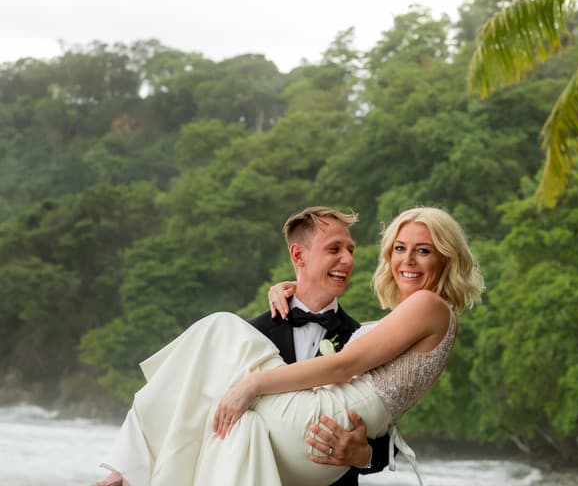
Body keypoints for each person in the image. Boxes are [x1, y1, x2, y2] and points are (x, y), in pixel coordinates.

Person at [94, 206, 484, 486]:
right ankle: (128, 477)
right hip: (298, 453)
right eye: (400, 248)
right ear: (299, 256)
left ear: (445, 256)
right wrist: (290, 289)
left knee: (219, 328)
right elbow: (196, 416)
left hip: (321, 441)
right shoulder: (266, 328)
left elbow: (344, 369)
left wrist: (364, 455)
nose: (407, 260)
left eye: (423, 249)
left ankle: (129, 468)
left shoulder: (422, 308)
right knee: (235, 426)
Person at [247, 206, 392, 486]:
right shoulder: (253, 334)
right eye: (334, 249)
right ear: (298, 255)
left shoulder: (364, 339)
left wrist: (365, 454)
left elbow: (387, 427)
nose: (348, 260)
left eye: (351, 250)